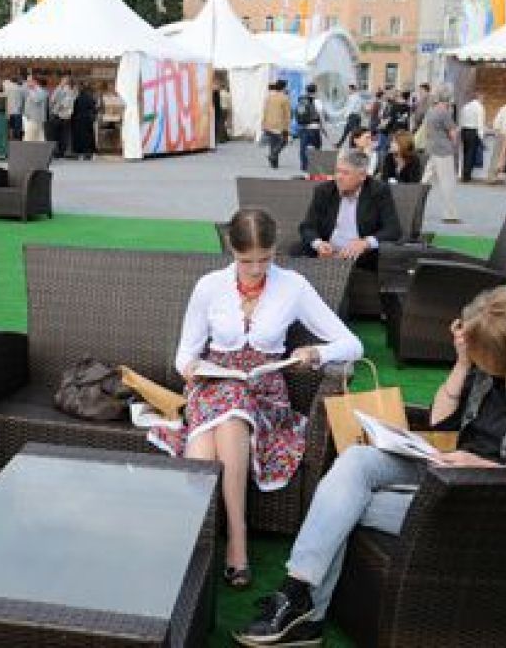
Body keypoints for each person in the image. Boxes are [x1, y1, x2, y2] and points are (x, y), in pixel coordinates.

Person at [235, 285, 506, 647]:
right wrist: (462, 363)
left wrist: (485, 467)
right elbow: (441, 426)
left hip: (493, 507)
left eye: (483, 354)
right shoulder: (496, 372)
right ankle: (299, 595)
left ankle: (303, 609)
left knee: (344, 504)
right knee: (358, 461)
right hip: (449, 473)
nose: (480, 360)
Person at [153, 208, 362, 589]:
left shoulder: (293, 286)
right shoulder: (209, 286)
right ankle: (234, 542)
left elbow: (352, 343)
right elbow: (185, 354)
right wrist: (192, 369)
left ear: (274, 250)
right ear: (231, 250)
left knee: (213, 432)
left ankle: (209, 545)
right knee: (220, 421)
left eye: (264, 259)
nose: (254, 269)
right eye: (245, 260)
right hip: (213, 383)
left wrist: (316, 353)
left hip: (265, 392)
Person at [299, 151, 401, 270]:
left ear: (362, 176)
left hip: (361, 256)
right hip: (327, 252)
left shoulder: (378, 191)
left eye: (345, 173)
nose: (339, 177)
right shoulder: (324, 191)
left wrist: (365, 243)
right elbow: (307, 227)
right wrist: (319, 244)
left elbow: (393, 229)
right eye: (337, 171)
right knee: (296, 250)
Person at [419, 88, 460, 223]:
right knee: (447, 182)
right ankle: (450, 214)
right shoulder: (444, 113)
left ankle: (415, 205)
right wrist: (454, 146)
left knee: (425, 180)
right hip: (443, 150)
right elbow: (452, 132)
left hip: (431, 148)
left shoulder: (430, 112)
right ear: (448, 100)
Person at [295, 83, 325, 173]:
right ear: (316, 91)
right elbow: (321, 116)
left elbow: (299, 114)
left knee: (303, 148)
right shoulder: (318, 101)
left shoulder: (301, 100)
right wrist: (323, 127)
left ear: (306, 90)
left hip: (304, 127)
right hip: (315, 128)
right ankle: (315, 166)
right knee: (317, 146)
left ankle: (304, 166)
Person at [262, 80, 291, 169]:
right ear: (284, 87)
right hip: (279, 124)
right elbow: (287, 114)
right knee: (284, 142)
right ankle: (273, 155)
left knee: (273, 143)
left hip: (268, 123)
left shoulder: (269, 97)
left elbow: (265, 111)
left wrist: (263, 123)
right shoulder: (285, 98)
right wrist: (287, 127)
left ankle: (274, 163)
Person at [458, 90, 486, 182]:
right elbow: (480, 123)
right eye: (483, 98)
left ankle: (463, 173)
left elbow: (461, 120)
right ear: (480, 97)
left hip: (464, 130)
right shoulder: (479, 107)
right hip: (473, 132)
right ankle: (467, 176)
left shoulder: (465, 106)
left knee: (465, 153)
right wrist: (481, 137)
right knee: (471, 154)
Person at [48, 75, 76, 158]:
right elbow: (52, 100)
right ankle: (58, 151)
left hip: (64, 116)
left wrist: (58, 106)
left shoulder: (70, 91)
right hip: (60, 115)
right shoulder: (59, 89)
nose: (63, 82)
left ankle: (60, 152)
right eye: (63, 81)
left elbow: (67, 103)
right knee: (59, 135)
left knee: (62, 135)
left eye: (65, 81)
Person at [70, 79, 98, 161]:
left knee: (78, 137)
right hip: (87, 120)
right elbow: (94, 109)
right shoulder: (90, 98)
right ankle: (88, 153)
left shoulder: (76, 98)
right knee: (88, 137)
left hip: (77, 120)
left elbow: (73, 109)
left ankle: (78, 153)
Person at [23, 75, 48, 142]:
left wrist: (31, 90)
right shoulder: (31, 90)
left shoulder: (41, 91)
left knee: (30, 139)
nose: (27, 83)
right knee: (34, 138)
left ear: (34, 82)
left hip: (35, 119)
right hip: (29, 118)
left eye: (29, 81)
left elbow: (37, 99)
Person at [4, 75, 25, 141]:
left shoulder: (6, 88)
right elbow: (24, 99)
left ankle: (10, 137)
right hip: (18, 110)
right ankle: (17, 139)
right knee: (18, 126)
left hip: (9, 109)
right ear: (17, 80)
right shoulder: (20, 89)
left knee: (10, 126)